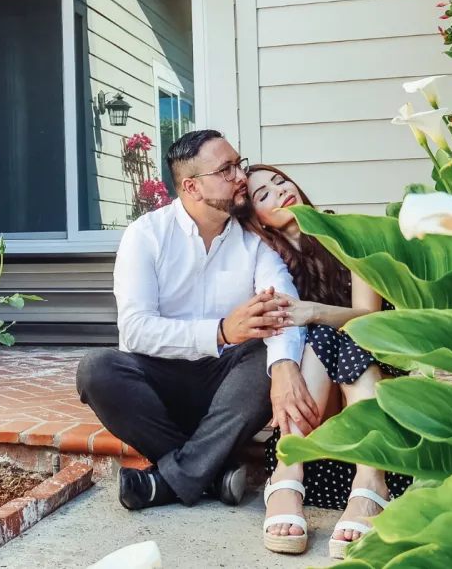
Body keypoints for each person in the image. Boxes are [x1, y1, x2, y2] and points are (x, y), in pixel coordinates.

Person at [75, 130, 322, 517]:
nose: (241, 175)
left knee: (266, 355)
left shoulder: (254, 242)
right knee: (97, 370)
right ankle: (213, 472)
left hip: (230, 388)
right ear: (192, 187)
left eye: (239, 164)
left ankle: (166, 480)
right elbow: (136, 329)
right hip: (160, 388)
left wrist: (287, 367)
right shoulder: (147, 235)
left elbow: (283, 311)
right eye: (226, 169)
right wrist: (221, 331)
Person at [235, 164, 413, 559]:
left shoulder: (344, 234)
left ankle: (367, 477)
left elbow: (369, 318)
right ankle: (292, 471)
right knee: (320, 337)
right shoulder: (269, 262)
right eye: (263, 194)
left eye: (281, 181)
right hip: (319, 417)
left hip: (375, 376)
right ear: (255, 218)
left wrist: (313, 310)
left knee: (343, 333)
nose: (280, 191)